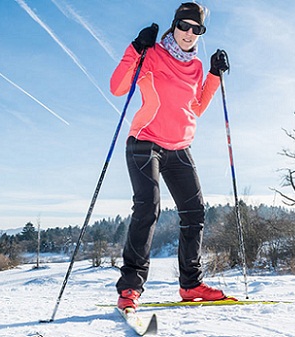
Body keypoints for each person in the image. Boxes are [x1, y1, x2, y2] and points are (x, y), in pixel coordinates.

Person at [110, 2, 231, 311]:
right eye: (184, 25)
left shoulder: (197, 67)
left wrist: (214, 75)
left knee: (195, 213)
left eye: (197, 29)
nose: (189, 33)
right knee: (148, 205)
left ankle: (191, 285)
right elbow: (117, 87)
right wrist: (136, 48)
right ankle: (130, 288)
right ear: (174, 24)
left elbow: (197, 108)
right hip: (144, 142)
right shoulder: (151, 54)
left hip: (179, 146)